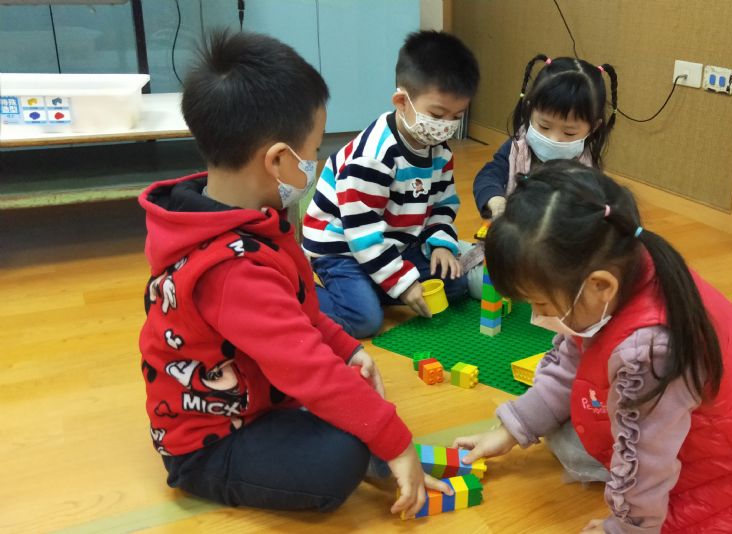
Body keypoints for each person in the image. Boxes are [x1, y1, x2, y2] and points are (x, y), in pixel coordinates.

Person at [138, 30, 449, 517]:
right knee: (342, 457)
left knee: (349, 405)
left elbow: (299, 312)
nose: (317, 161)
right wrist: (396, 444)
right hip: (211, 444)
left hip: (258, 396)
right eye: (315, 149)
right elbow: (306, 366)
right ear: (279, 160)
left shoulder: (245, 217)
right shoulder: (233, 270)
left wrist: (347, 348)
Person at [454, 160, 732, 533]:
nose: (538, 316)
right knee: (565, 426)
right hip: (702, 423)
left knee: (572, 446)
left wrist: (625, 527)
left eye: (541, 304)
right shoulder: (621, 266)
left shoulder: (649, 350)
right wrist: (512, 429)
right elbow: (570, 361)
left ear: (601, 285)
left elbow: (647, 458)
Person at [302, 30, 480, 338]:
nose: (446, 127)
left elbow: (443, 205)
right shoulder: (373, 158)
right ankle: (295, 297)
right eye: (437, 115)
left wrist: (440, 243)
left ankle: (376, 282)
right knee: (364, 321)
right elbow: (361, 232)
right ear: (401, 101)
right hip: (342, 248)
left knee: (455, 283)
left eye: (457, 116)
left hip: (394, 242)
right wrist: (403, 284)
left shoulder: (439, 150)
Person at [462, 55, 618, 297]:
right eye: (544, 126)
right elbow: (489, 175)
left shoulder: (587, 170)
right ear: (529, 109)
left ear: (594, 127)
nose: (554, 138)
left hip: (556, 262)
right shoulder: (519, 146)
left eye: (569, 132)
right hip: (511, 251)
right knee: (474, 280)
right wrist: (496, 201)